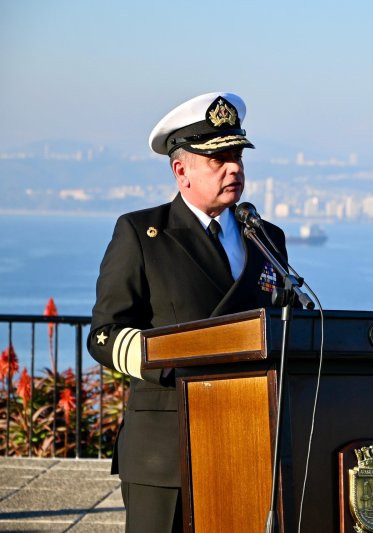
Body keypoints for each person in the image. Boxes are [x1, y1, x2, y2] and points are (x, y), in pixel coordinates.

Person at [88, 92, 288, 532]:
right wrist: (174, 358)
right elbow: (104, 334)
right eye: (217, 158)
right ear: (181, 171)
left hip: (248, 441)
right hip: (167, 451)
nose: (233, 167)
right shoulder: (142, 233)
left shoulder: (266, 237)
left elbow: (287, 324)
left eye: (236, 155)